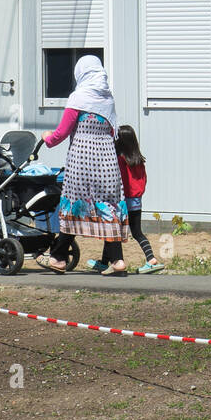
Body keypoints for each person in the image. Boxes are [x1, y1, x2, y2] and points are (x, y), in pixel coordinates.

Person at [35, 55, 128, 273]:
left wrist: (47, 138)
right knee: (108, 209)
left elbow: (62, 133)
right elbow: (114, 131)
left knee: (75, 206)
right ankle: (117, 261)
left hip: (81, 163)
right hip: (107, 164)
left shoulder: (78, 99)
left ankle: (58, 257)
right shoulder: (108, 100)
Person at [89, 124, 163, 274]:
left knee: (112, 231)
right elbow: (144, 180)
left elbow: (117, 180)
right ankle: (151, 260)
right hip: (136, 201)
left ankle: (108, 262)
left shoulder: (119, 160)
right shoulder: (139, 160)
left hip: (121, 201)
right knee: (137, 232)